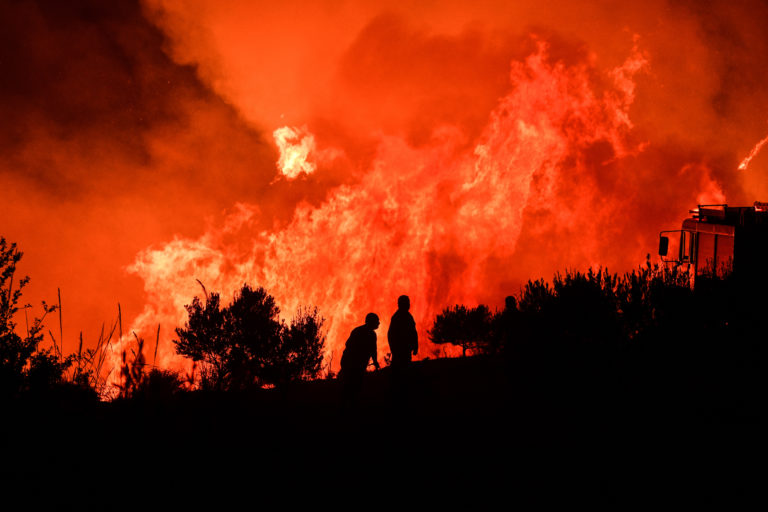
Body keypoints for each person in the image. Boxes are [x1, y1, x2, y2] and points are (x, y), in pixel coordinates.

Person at [339, 312, 380, 406]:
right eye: (377, 321)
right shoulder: (370, 334)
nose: (378, 323)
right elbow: (373, 350)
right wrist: (374, 361)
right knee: (353, 385)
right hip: (353, 363)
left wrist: (374, 361)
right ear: (371, 322)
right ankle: (348, 406)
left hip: (351, 362)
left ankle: (347, 405)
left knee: (351, 386)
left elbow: (372, 350)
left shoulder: (359, 330)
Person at [387, 295, 418, 369]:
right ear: (400, 304)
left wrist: (415, 345)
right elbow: (391, 335)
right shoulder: (396, 317)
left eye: (408, 303)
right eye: (406, 303)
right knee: (399, 368)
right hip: (399, 350)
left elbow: (413, 332)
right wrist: (394, 349)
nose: (408, 305)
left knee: (406, 367)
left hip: (407, 349)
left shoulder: (409, 316)